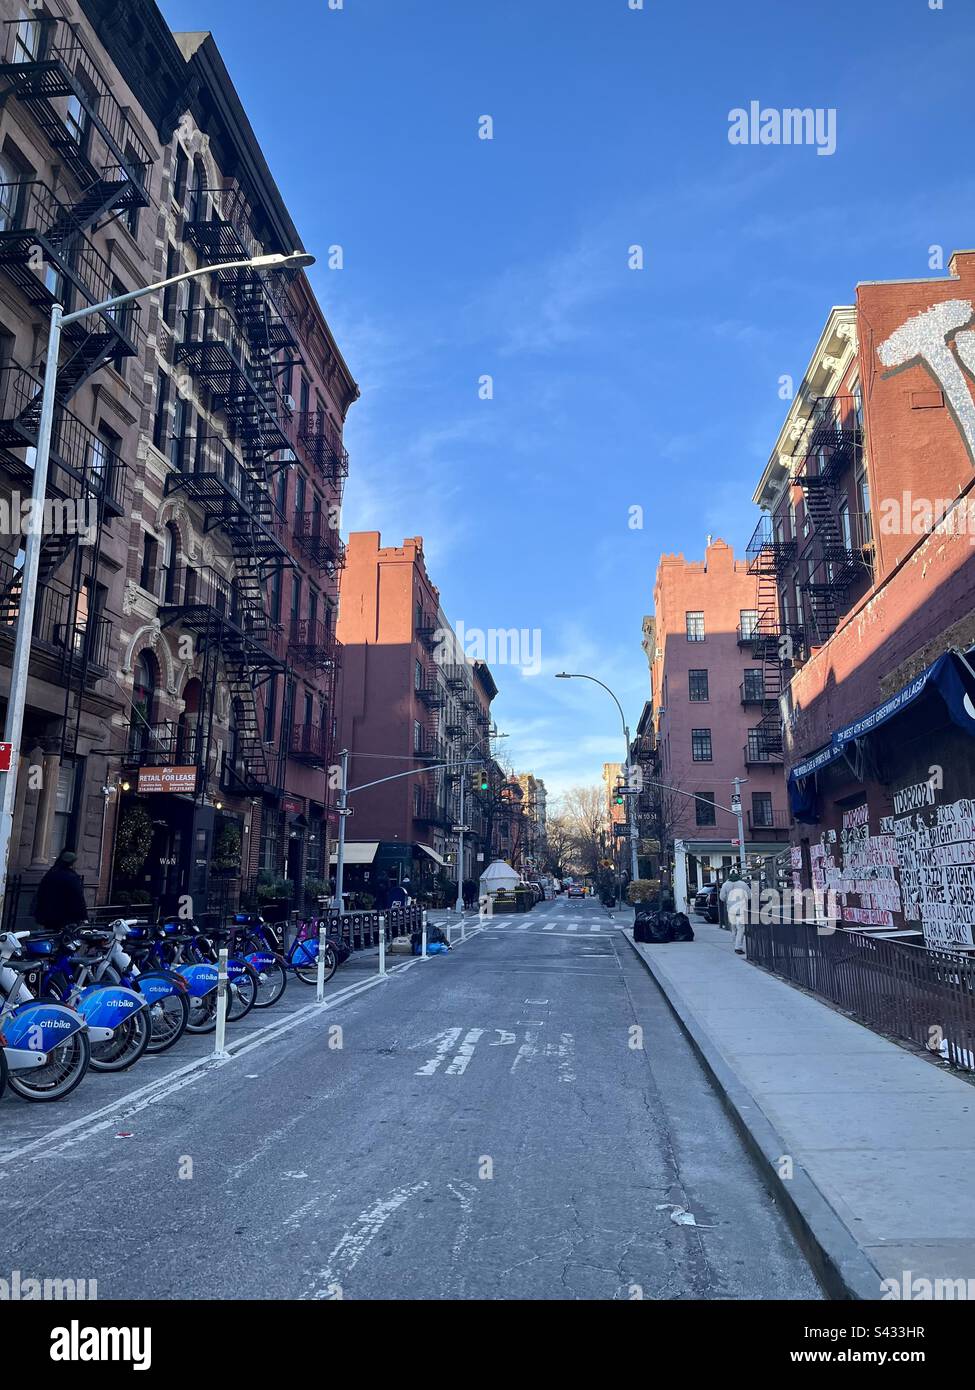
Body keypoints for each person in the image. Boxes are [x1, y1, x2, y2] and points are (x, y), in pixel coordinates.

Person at [33, 849, 88, 933]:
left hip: (48, 915)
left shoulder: (51, 873)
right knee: (65, 940)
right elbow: (78, 898)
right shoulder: (71, 877)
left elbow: (41, 893)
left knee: (50, 936)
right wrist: (83, 916)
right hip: (66, 917)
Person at [719, 870, 749, 954]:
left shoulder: (725, 885)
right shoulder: (743, 884)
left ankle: (734, 943)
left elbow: (722, 897)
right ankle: (738, 947)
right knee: (741, 928)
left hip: (731, 909)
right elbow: (749, 895)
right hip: (741, 909)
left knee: (733, 927)